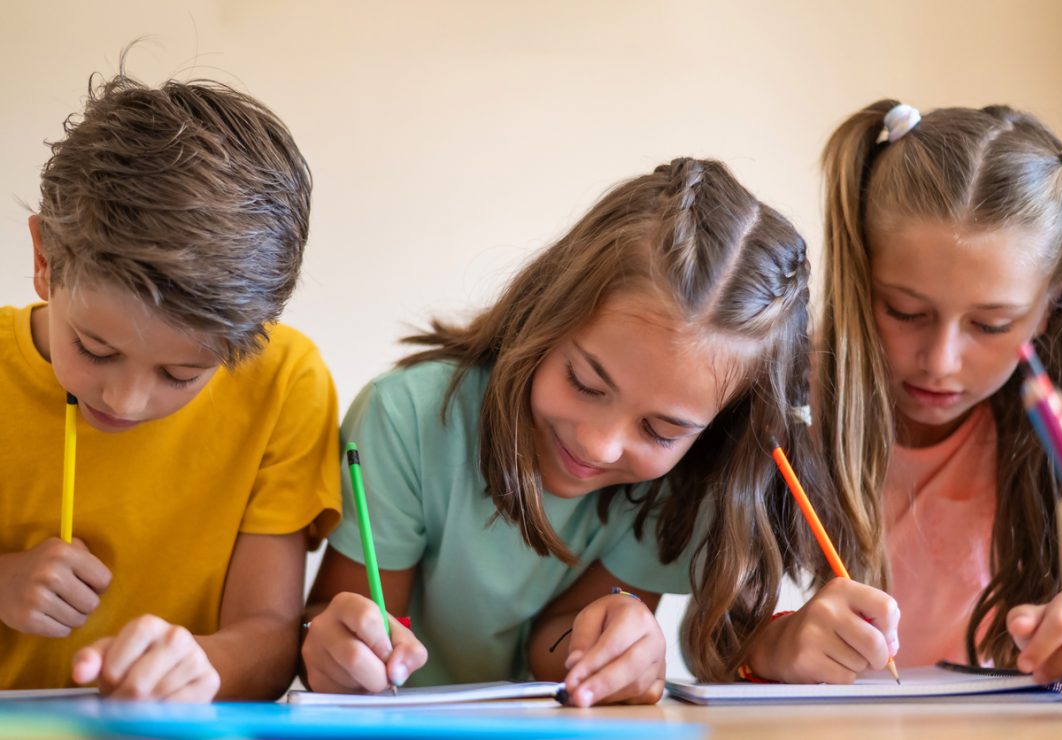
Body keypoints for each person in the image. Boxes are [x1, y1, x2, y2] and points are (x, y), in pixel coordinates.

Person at [301, 157, 825, 703]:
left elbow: (549, 652)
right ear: (546, 314)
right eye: (584, 383)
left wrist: (612, 638)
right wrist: (331, 643)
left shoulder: (682, 484)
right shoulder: (407, 417)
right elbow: (345, 627)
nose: (599, 444)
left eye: (662, 431)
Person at [0, 68, 340, 700]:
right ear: (45, 260)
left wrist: (206, 666)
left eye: (182, 374)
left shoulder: (286, 383)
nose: (125, 400)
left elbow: (269, 635)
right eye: (95, 349)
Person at [750, 100, 1062, 685]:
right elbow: (715, 631)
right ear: (861, 272)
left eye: (991, 325)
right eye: (905, 310)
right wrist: (774, 645)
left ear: (1052, 300)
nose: (940, 362)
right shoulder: (787, 405)